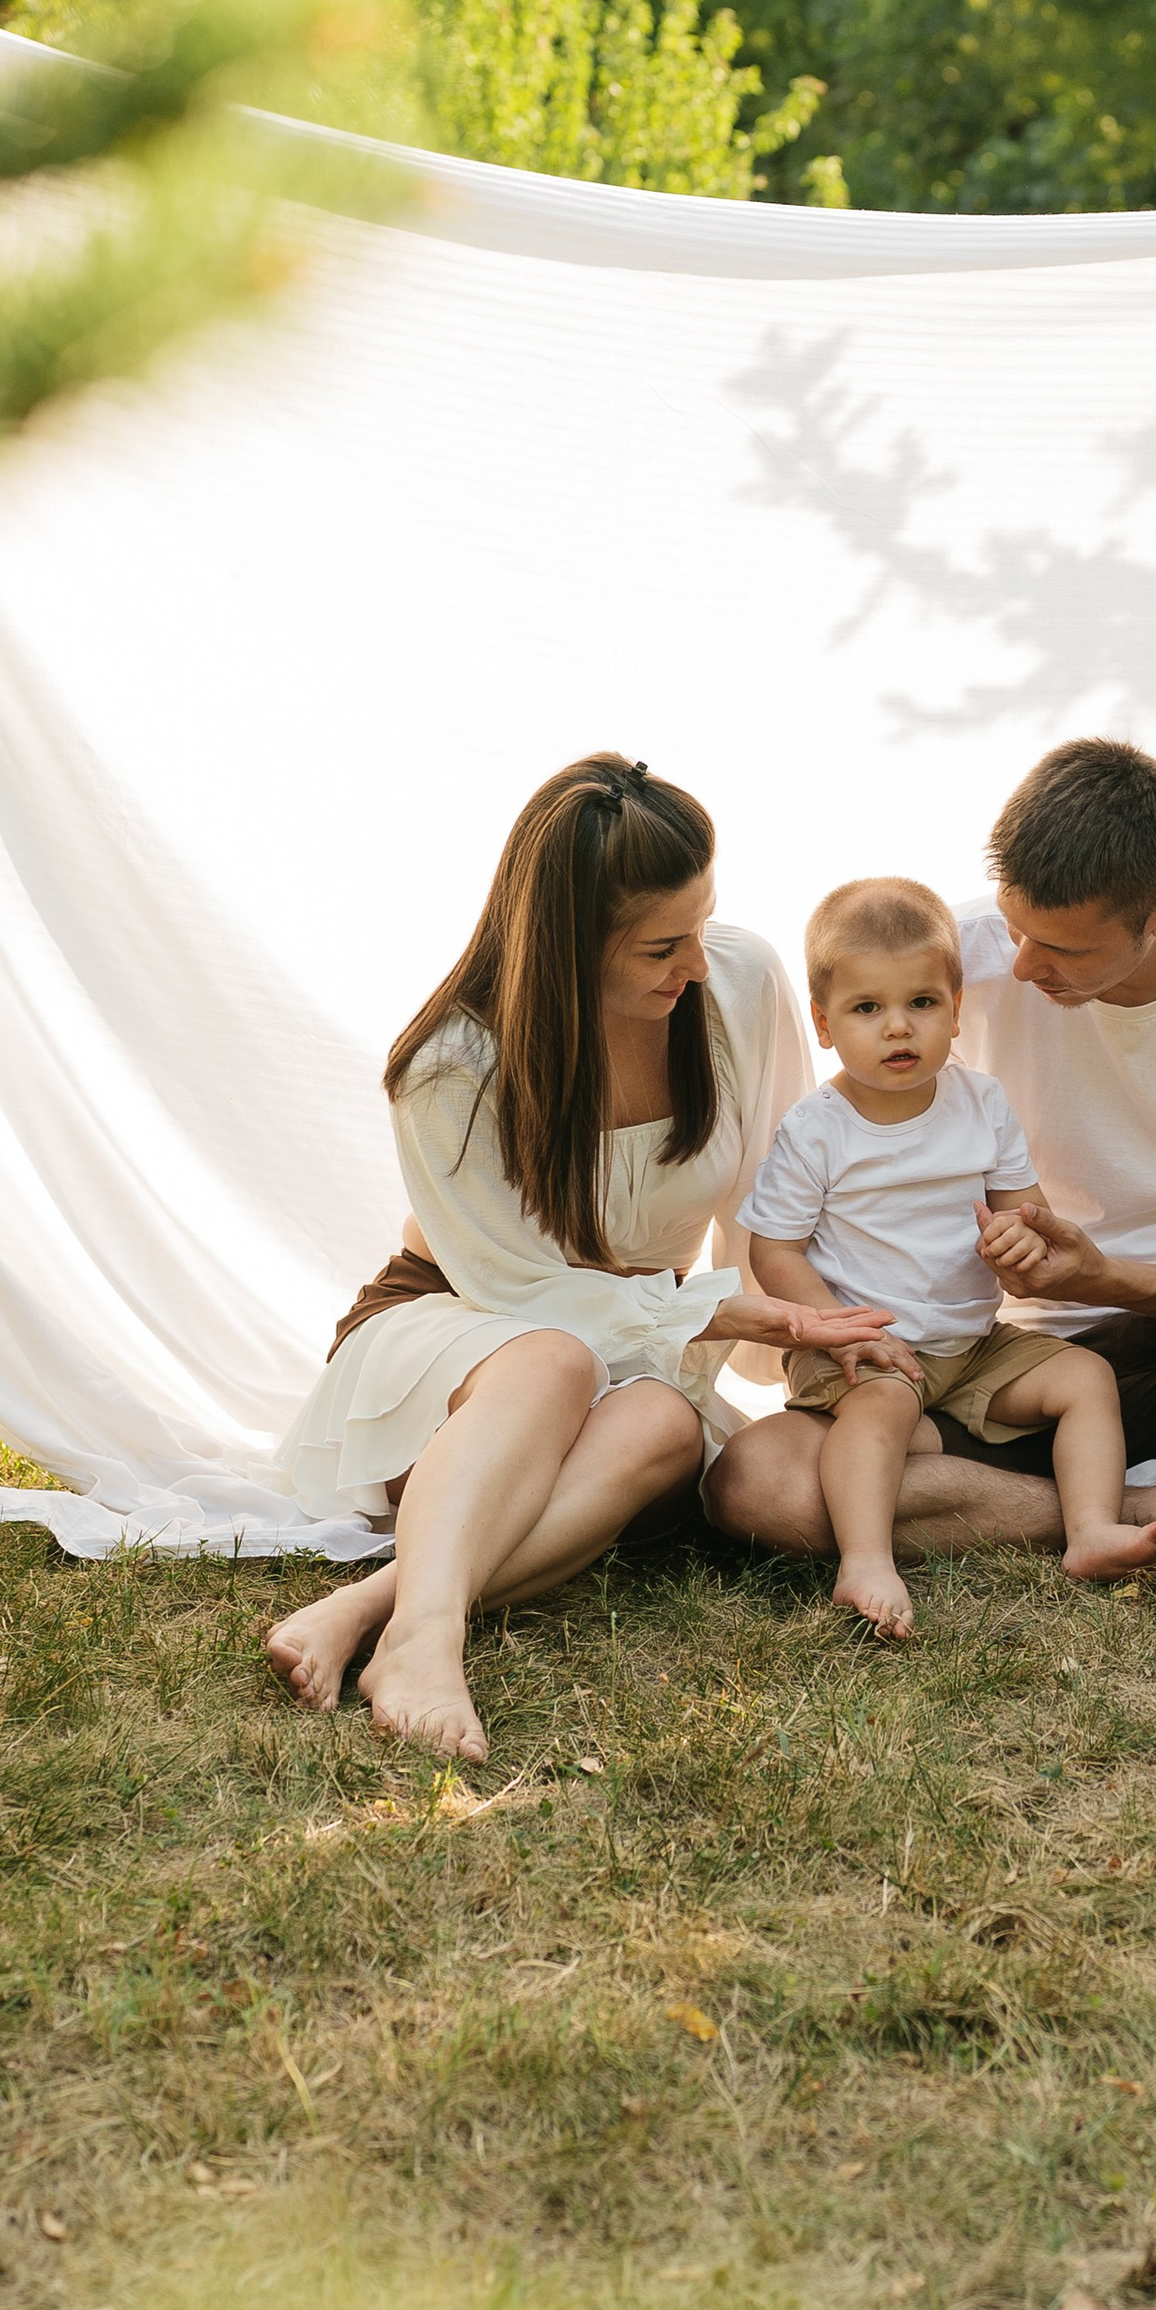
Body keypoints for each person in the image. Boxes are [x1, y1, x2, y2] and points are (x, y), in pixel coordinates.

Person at [706, 739, 1156, 1713]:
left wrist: (1104, 1277)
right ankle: (1143, 1506)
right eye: (1016, 930)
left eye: (1060, 950)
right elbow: (847, 1017)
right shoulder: (955, 960)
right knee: (756, 1482)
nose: (1020, 966)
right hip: (991, 1359)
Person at [263, 756, 892, 1764]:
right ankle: (428, 1641)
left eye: (701, 921)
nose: (694, 959)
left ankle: (377, 1605)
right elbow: (513, 1288)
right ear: (566, 943)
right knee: (553, 1356)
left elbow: (774, 1199)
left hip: (638, 1344)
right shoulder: (449, 1064)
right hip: (456, 1335)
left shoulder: (736, 978)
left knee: (663, 1419)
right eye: (659, 943)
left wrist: (803, 1345)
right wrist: (714, 1315)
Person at [743, 877, 1156, 1638]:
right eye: (866, 1008)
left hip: (971, 1344)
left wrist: (1019, 1236)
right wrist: (840, 1325)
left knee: (1085, 1376)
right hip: (862, 1347)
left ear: (955, 1006)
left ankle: (1091, 1530)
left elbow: (1027, 1209)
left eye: (921, 1002)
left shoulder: (981, 1103)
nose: (897, 1028)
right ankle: (867, 1560)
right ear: (823, 1023)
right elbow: (773, 1250)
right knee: (880, 1408)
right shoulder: (818, 1130)